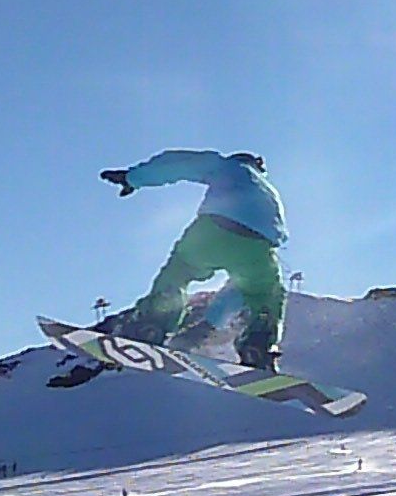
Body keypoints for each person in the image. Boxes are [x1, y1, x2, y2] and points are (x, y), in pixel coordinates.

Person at [99, 150, 288, 369]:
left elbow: (180, 164)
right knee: (263, 294)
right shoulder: (271, 192)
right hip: (257, 247)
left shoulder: (227, 166)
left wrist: (133, 177)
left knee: (178, 273)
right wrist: (210, 323)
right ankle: (259, 344)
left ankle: (152, 323)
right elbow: (239, 289)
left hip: (212, 231)